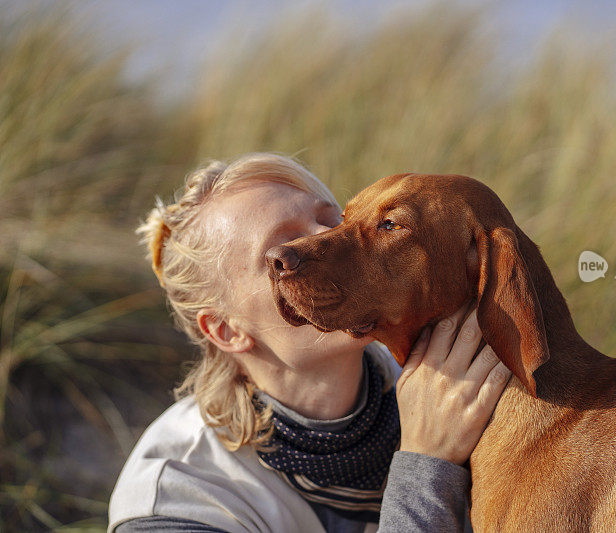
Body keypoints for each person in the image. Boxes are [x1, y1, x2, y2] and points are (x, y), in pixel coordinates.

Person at [108, 153, 512, 532]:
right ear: (226, 331)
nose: (328, 242)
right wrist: (426, 467)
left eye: (333, 220)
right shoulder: (176, 499)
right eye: (282, 252)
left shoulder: (457, 383)